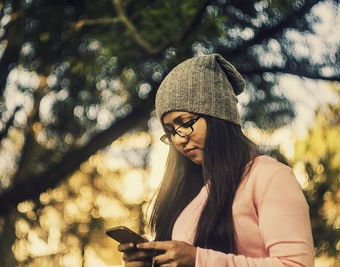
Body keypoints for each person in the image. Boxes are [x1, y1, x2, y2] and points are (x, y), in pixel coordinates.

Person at [118, 54, 314, 266]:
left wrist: (198, 259)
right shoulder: (190, 192)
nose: (177, 139)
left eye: (184, 123)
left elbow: (296, 264)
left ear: (218, 116)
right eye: (170, 130)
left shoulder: (269, 176)